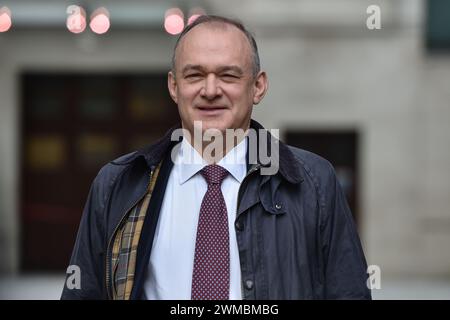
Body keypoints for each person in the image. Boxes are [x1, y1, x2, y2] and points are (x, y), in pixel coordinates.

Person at [61, 15, 371, 300]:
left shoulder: (313, 183)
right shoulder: (119, 183)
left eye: (228, 75)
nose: (210, 90)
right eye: (195, 75)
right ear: (174, 86)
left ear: (258, 86)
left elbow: (349, 293)